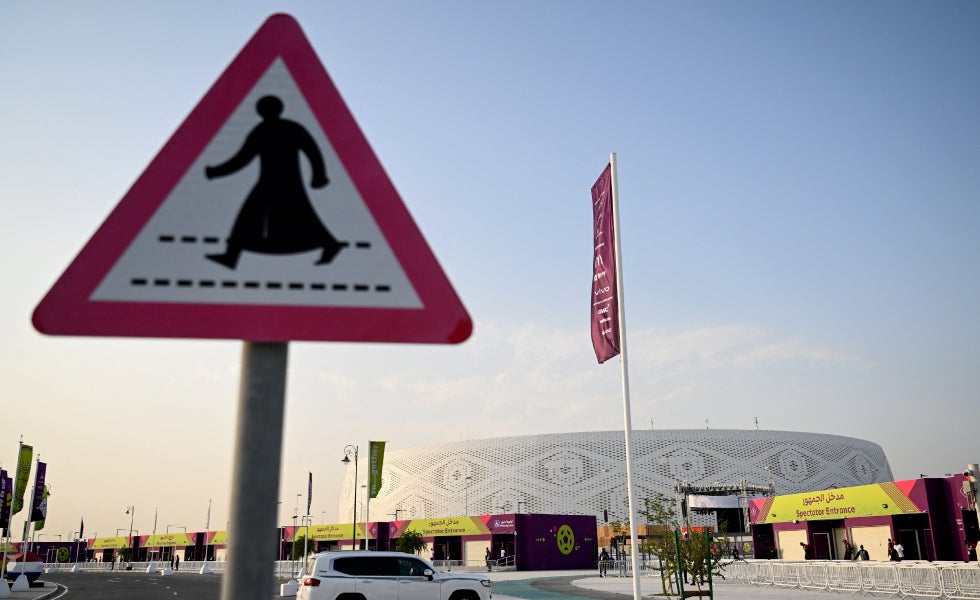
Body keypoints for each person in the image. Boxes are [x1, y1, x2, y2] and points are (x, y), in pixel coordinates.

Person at [204, 95, 346, 269]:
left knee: (256, 215)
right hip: (278, 181)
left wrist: (215, 172)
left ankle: (231, 256)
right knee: (295, 215)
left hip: (278, 182)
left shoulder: (268, 130)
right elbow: (243, 158)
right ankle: (231, 257)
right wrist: (319, 175)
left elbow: (311, 150)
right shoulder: (281, 128)